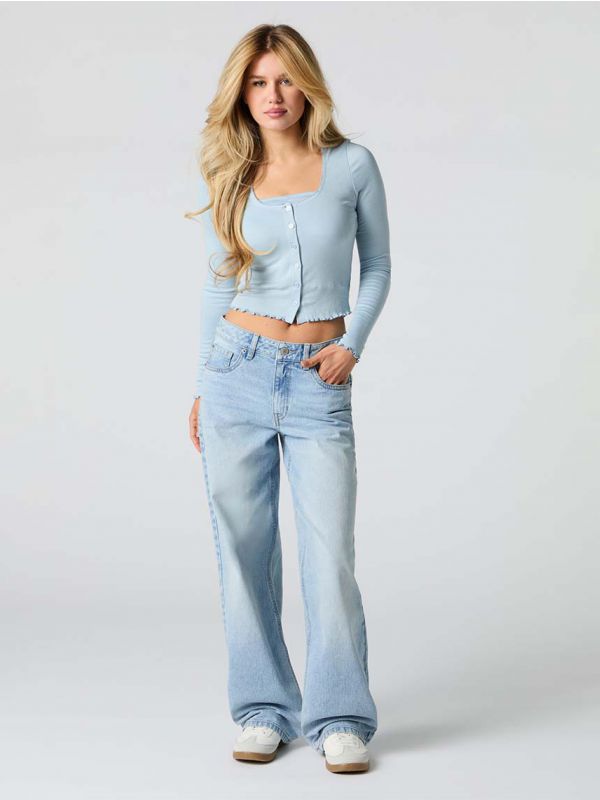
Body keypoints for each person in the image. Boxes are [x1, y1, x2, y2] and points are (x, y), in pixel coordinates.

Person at [186, 23, 391, 774]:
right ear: (241, 93)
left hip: (317, 377)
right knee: (243, 553)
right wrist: (202, 386)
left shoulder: (352, 166)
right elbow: (219, 283)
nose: (272, 95)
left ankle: (339, 716)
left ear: (307, 85)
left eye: (284, 79)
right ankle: (263, 708)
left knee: (329, 555)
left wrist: (352, 343)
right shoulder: (231, 174)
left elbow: (378, 267)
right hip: (236, 370)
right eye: (257, 82)